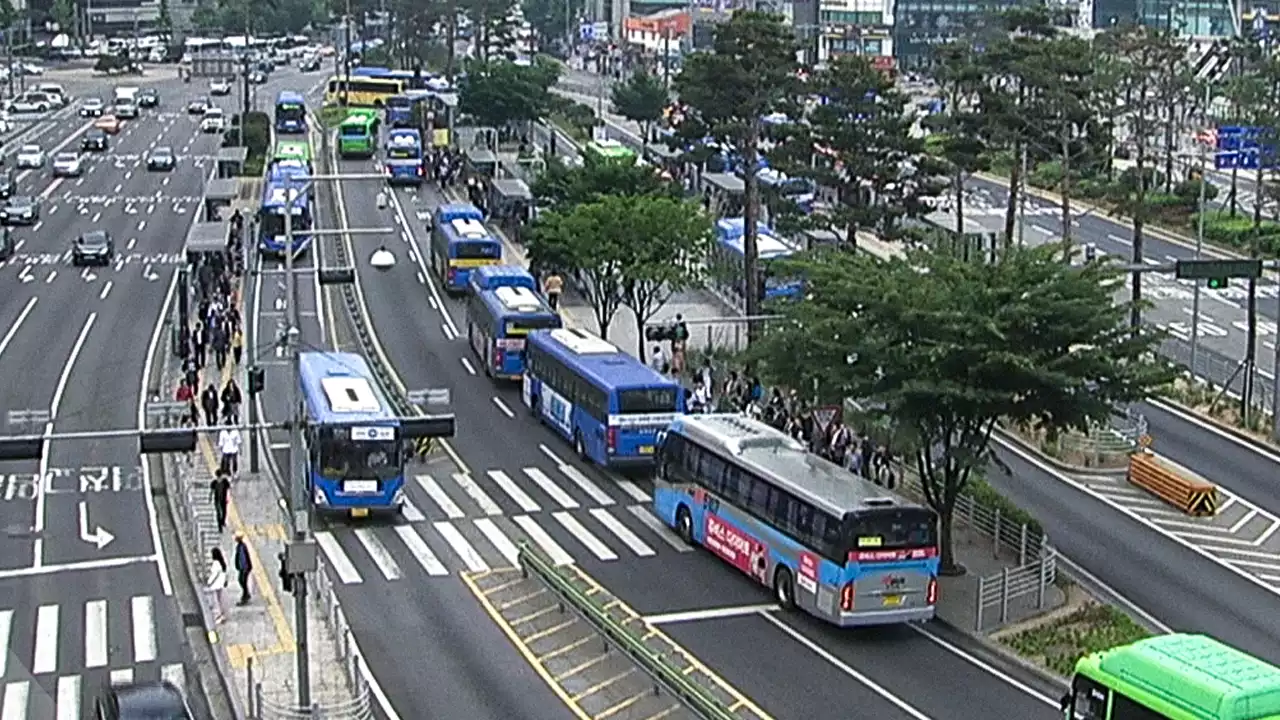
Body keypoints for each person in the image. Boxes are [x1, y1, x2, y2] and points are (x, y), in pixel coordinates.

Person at [207, 548, 228, 623]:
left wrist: (209, 582)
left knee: (216, 601)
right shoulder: (222, 562)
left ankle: (219, 616)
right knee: (220, 600)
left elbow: (214, 574)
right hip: (220, 584)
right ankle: (222, 615)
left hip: (216, 585)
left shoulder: (216, 563)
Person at [233, 533, 252, 605]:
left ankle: (245, 595)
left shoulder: (242, 546)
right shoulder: (239, 546)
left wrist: (248, 566)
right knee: (242, 581)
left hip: (245, 567)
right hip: (242, 567)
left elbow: (246, 556)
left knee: (242, 581)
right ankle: (246, 594)